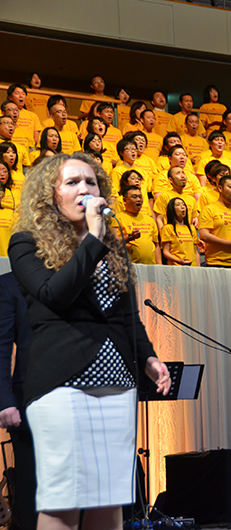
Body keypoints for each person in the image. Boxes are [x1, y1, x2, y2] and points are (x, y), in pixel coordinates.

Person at [7, 153, 170, 530]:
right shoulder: (26, 242)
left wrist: (148, 358)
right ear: (51, 196)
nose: (84, 189)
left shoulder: (112, 247)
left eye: (91, 182)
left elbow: (126, 314)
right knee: (64, 499)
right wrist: (93, 238)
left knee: (109, 502)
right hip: (62, 384)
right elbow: (55, 294)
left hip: (116, 383)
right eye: (72, 182)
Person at [0, 272, 35, 530]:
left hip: (76, 401)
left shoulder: (74, 277)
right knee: (32, 490)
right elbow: (1, 348)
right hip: (28, 403)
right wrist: (4, 400)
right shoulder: (10, 284)